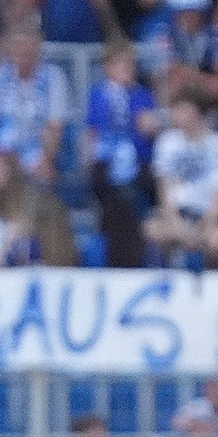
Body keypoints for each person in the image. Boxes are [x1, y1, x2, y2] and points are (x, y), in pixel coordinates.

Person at [85, 40, 160, 270]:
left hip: (139, 163)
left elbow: (149, 128)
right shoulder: (98, 94)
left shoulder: (143, 95)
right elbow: (93, 132)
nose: (128, 69)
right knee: (113, 201)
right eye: (122, 64)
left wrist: (150, 125)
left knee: (133, 200)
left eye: (131, 64)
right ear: (108, 67)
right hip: (107, 166)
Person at [0, 24, 69, 185]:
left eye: (29, 46)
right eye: (18, 45)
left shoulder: (54, 77)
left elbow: (55, 126)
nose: (23, 51)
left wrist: (47, 158)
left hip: (37, 151)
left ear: (38, 47)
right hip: (1, 152)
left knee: (43, 175)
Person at [146, 97, 218, 267]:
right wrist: (176, 225)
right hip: (176, 213)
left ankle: (211, 282)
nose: (175, 115)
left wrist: (204, 229)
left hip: (206, 214)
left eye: (181, 109)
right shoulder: (167, 141)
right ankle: (168, 278)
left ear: (196, 112)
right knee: (153, 231)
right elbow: (164, 188)